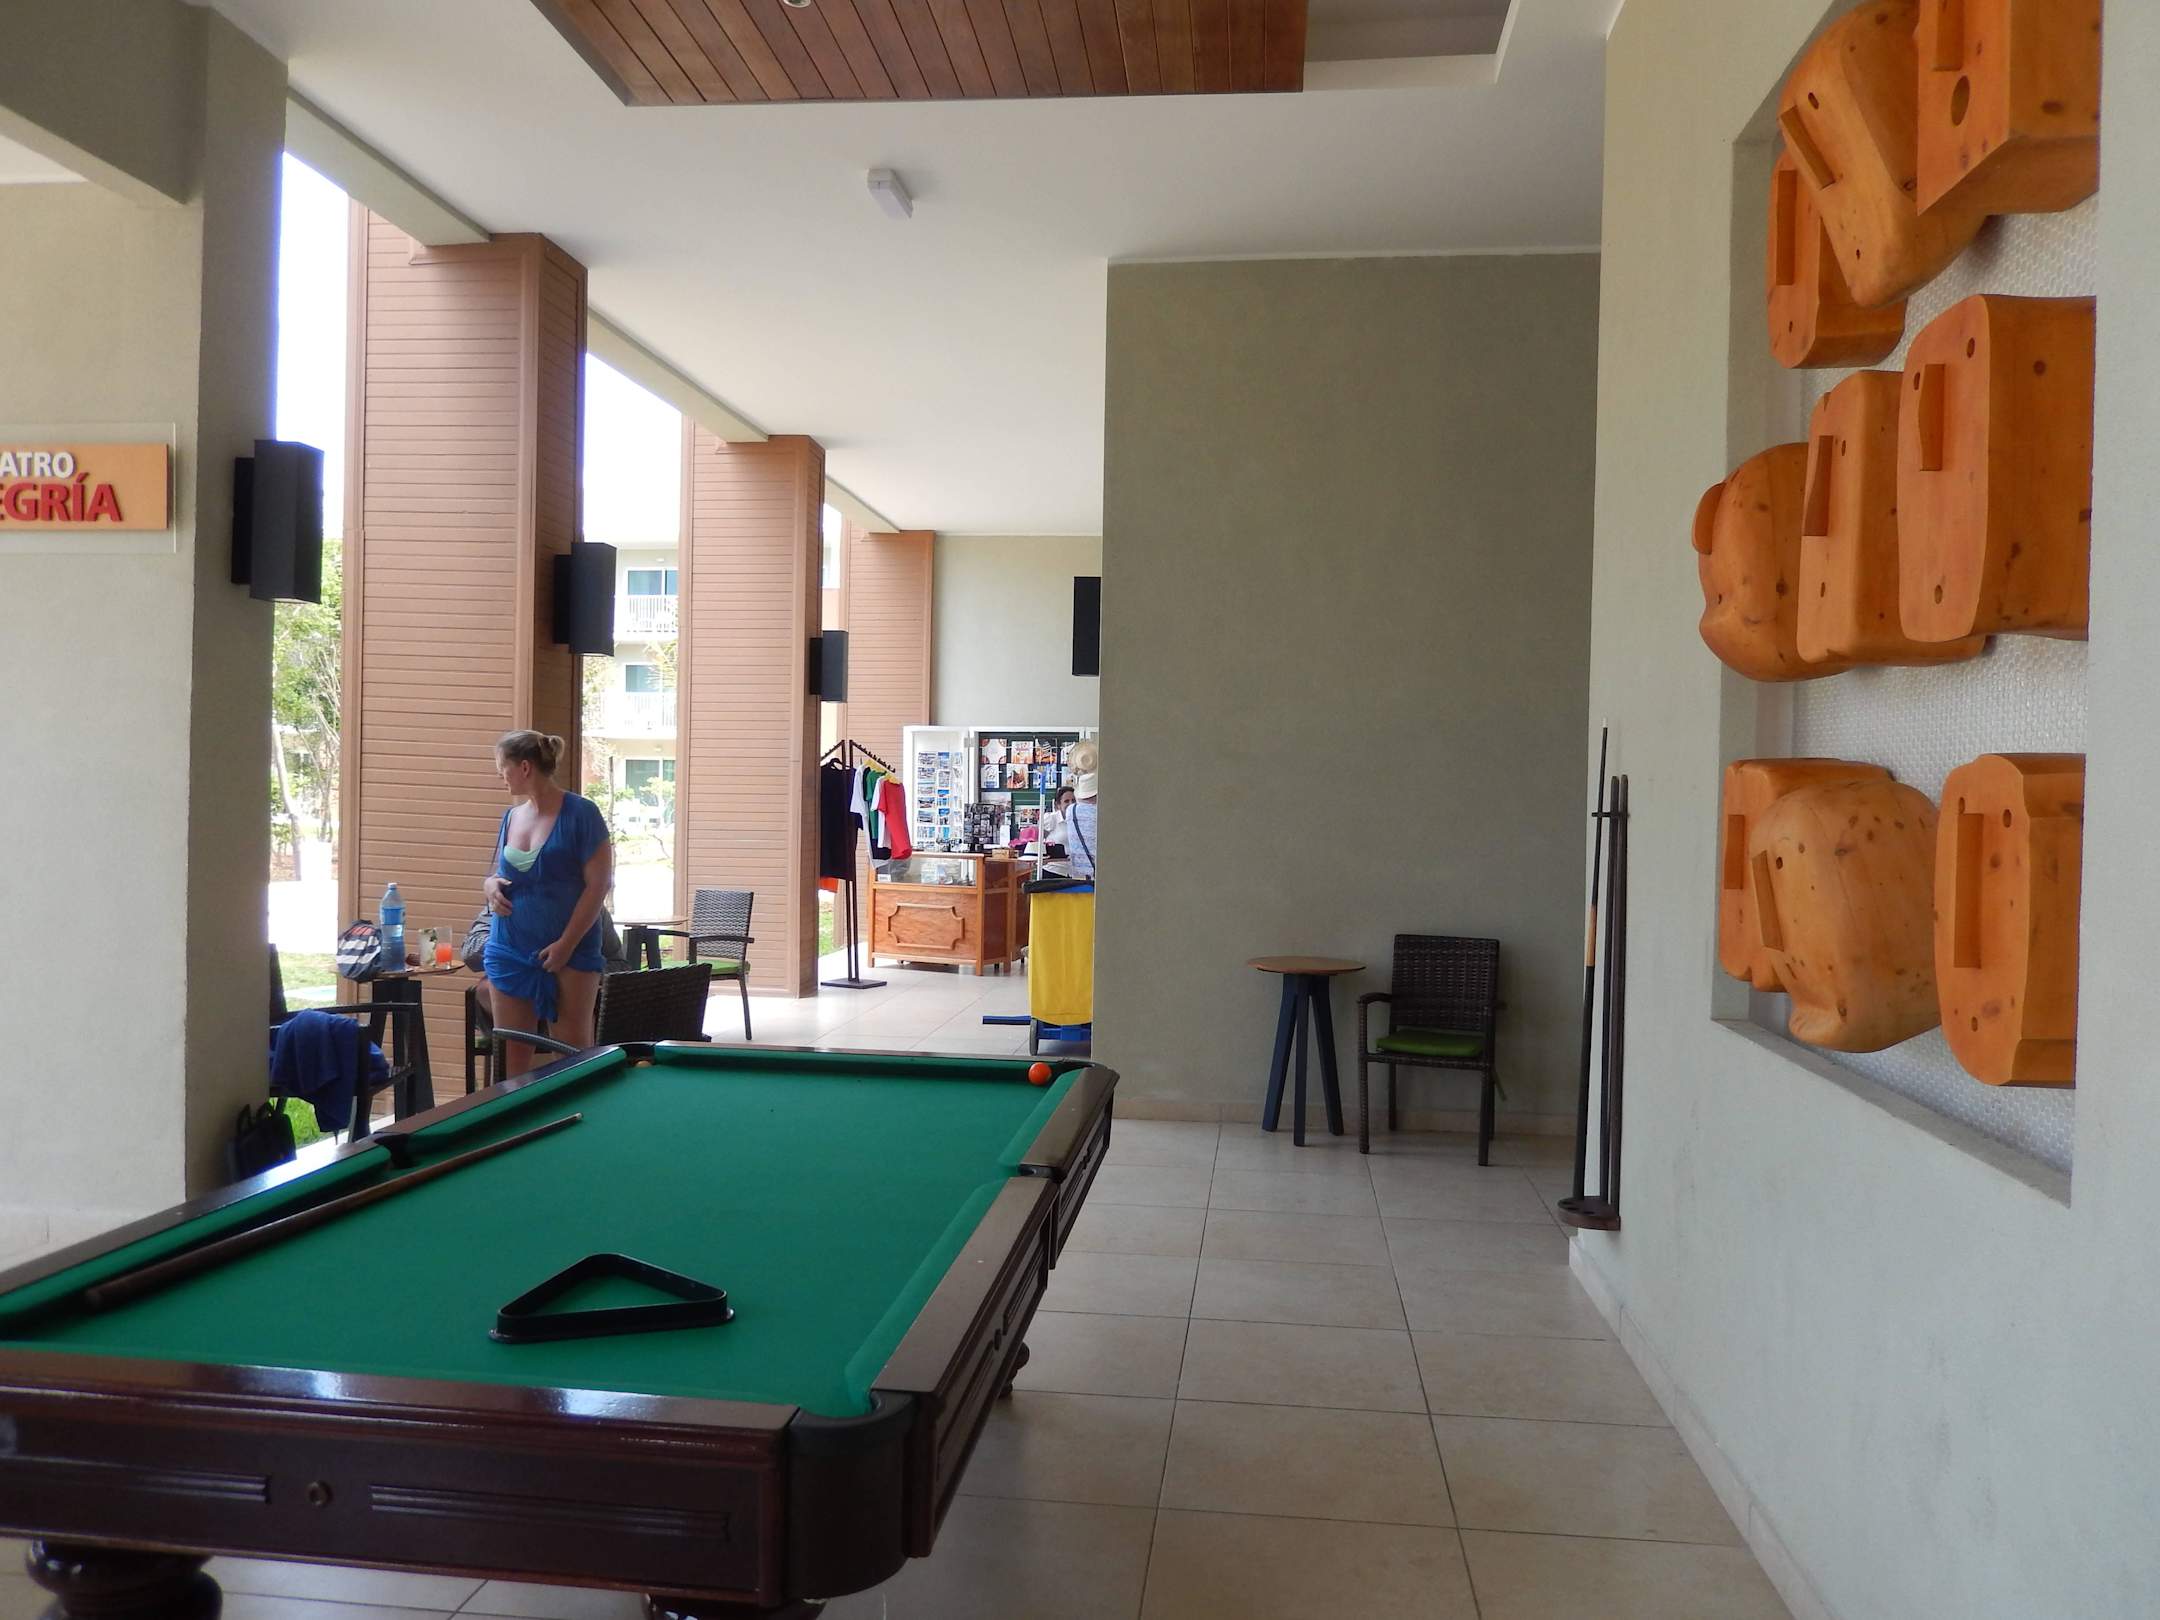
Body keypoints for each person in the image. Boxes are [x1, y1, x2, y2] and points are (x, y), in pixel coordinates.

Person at [480, 731, 613, 1074]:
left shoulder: (582, 813)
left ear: (525, 767)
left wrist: (566, 944)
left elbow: (598, 885)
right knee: (511, 1058)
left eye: (503, 768)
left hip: (571, 950)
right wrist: (490, 885)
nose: (500, 776)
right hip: (509, 946)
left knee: (572, 1055)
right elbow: (501, 873)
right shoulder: (511, 816)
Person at [1038, 785, 1077, 859]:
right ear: (1058, 805)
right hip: (1055, 865)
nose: (1071, 804)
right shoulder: (1050, 819)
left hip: (1076, 865)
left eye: (1073, 800)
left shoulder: (1081, 820)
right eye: (1066, 801)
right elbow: (1038, 842)